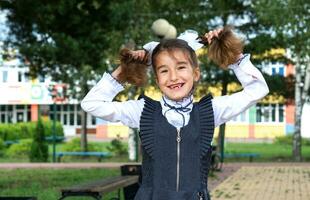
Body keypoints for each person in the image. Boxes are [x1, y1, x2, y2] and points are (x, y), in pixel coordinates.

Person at [81, 26, 269, 200]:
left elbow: (258, 89)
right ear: (157, 79)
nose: (173, 77)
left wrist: (234, 56)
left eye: (181, 67)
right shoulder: (142, 111)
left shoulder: (210, 112)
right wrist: (124, 70)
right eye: (164, 71)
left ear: (195, 73)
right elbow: (91, 104)